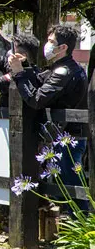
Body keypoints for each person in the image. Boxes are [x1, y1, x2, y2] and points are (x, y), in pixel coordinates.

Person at [10, 25, 88, 186]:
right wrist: (24, 67)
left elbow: (37, 100)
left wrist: (18, 74)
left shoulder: (65, 71)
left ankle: (81, 212)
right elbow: (40, 79)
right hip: (63, 136)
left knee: (70, 186)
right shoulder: (61, 68)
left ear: (63, 47)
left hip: (70, 137)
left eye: (51, 41)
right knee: (61, 185)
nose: (48, 44)